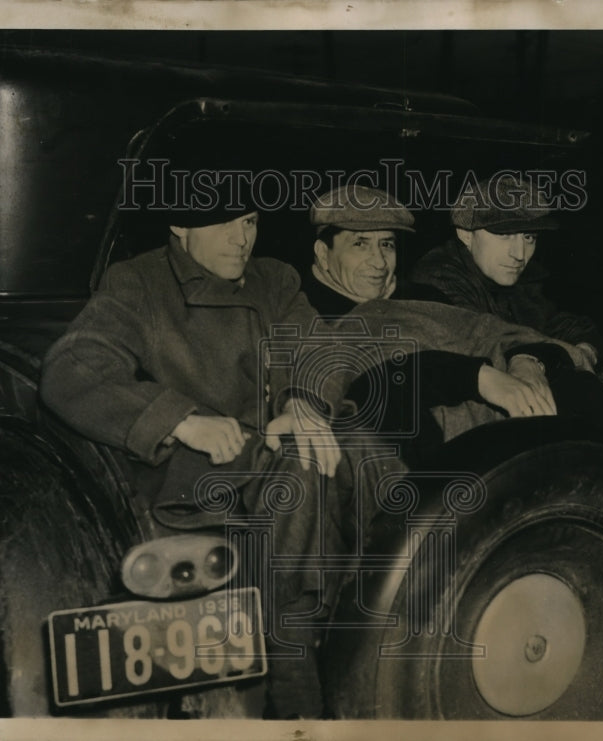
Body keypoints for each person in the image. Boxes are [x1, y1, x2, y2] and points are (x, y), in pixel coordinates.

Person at [39, 184, 400, 719]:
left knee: (365, 448)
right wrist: (180, 419)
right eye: (224, 223)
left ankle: (401, 619)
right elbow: (73, 366)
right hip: (200, 475)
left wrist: (302, 401)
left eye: (250, 221)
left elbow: (318, 347)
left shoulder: (274, 280)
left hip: (273, 453)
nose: (241, 239)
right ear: (180, 227)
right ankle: (295, 691)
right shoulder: (139, 283)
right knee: (297, 474)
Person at [302, 185, 603, 455]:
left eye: (387, 244)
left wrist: (525, 358)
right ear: (323, 253)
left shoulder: (422, 296)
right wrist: (478, 378)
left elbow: (488, 332)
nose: (379, 261)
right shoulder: (305, 313)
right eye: (360, 244)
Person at [411, 175, 603, 425]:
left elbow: (573, 328)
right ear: (466, 234)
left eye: (529, 237)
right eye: (505, 235)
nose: (519, 254)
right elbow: (497, 366)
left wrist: (583, 353)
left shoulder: (514, 279)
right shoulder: (437, 281)